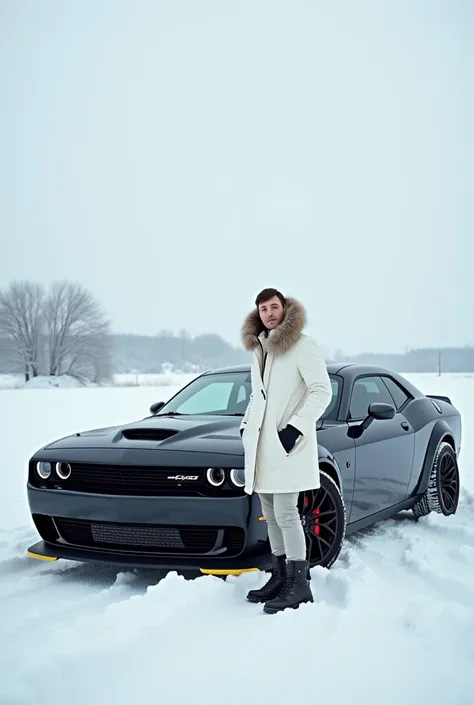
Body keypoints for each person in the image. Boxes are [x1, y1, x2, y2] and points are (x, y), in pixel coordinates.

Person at [239, 288, 332, 613]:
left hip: (288, 444)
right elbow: (258, 396)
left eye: (274, 306)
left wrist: (295, 428)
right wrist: (246, 424)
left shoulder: (302, 345)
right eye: (263, 309)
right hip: (262, 446)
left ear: (284, 308)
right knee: (272, 516)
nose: (269, 313)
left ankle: (300, 584)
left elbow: (322, 391)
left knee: (288, 514)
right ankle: (280, 576)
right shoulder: (261, 349)